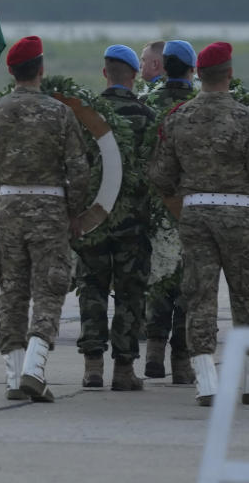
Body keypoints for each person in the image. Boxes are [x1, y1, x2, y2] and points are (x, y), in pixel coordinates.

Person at [148, 41, 249, 405]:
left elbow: (160, 176)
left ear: (199, 76)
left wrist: (189, 187)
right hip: (239, 215)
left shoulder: (177, 117)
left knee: (199, 294)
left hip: (196, 214)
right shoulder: (244, 117)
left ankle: (206, 380)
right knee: (246, 295)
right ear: (230, 75)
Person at [0, 35, 89, 402]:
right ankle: (34, 369)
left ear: (11, 71)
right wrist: (75, 212)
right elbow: (78, 169)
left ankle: (14, 377)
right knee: (50, 288)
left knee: (13, 290)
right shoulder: (59, 112)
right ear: (41, 69)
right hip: (50, 208)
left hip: (10, 206)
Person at [75, 44, 156, 391]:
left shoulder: (87, 115)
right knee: (130, 292)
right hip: (133, 221)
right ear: (134, 76)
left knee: (91, 287)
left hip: (93, 218)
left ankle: (92, 365)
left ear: (105, 73)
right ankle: (124, 369)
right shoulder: (147, 116)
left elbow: (76, 166)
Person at [144, 39, 197, 383]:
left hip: (158, 205)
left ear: (163, 68)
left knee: (160, 277)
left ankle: (153, 351)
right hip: (193, 207)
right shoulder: (199, 105)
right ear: (193, 70)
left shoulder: (148, 103)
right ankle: (181, 361)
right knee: (190, 285)